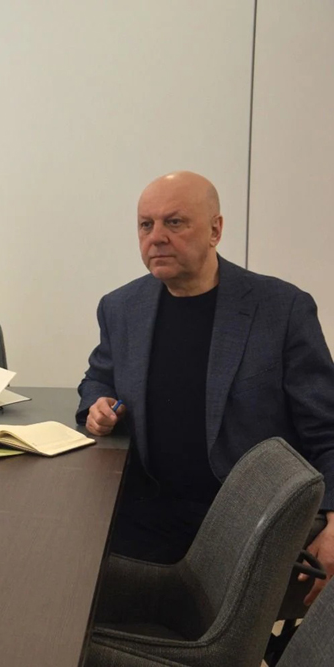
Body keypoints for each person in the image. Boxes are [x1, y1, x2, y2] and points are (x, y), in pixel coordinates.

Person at [77, 171, 334, 604]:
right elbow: (98, 377)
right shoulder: (121, 307)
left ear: (215, 230)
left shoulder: (281, 309)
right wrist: (96, 404)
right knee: (56, 568)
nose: (156, 237)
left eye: (174, 222)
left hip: (247, 523)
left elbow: (327, 427)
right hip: (148, 509)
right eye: (146, 225)